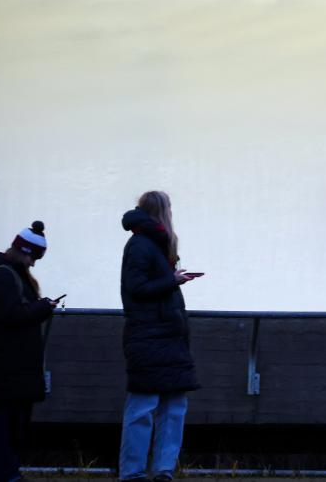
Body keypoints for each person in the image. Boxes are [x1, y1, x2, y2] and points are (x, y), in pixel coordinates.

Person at [119, 191, 202, 482]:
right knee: (150, 406)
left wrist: (171, 279)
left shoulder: (148, 243)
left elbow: (141, 286)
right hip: (151, 335)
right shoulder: (142, 244)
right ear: (163, 210)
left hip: (161, 336)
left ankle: (157, 470)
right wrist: (172, 280)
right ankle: (138, 472)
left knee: (168, 405)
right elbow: (137, 288)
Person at [0, 221, 59, 482]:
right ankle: (3, 474)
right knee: (6, 420)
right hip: (7, 361)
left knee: (12, 419)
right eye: (32, 257)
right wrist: (42, 307)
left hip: (13, 362)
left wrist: (41, 306)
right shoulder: (3, 275)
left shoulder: (8, 272)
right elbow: (9, 315)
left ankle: (7, 472)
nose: (33, 264)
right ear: (22, 250)